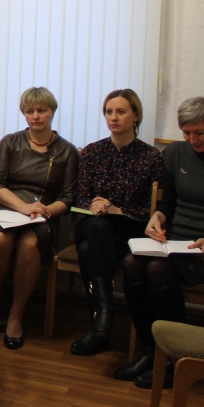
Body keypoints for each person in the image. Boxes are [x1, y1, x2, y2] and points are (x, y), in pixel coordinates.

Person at [116, 97, 204, 389]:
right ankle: (150, 349)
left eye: (200, 132)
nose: (193, 140)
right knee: (131, 262)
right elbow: (169, 204)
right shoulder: (176, 154)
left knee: (157, 270)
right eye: (186, 132)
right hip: (176, 243)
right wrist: (156, 218)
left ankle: (174, 358)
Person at [0, 87, 78, 350]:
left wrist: (42, 211)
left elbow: (68, 197)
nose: (36, 116)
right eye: (30, 111)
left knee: (29, 245)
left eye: (41, 110)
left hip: (43, 212)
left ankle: (16, 314)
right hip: (5, 206)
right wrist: (23, 207)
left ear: (52, 112)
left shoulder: (67, 151)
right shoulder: (10, 142)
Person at [70, 89, 163, 356]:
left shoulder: (151, 156)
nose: (114, 117)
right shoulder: (92, 152)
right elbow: (81, 195)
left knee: (87, 249)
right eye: (109, 112)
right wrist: (94, 205)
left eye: (121, 112)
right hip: (93, 223)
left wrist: (119, 209)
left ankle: (100, 322)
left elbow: (152, 208)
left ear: (135, 116)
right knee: (98, 227)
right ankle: (104, 317)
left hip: (128, 229)